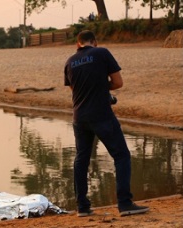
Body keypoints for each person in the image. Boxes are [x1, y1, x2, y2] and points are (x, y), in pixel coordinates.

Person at [64, 30, 149, 217]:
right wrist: (103, 86)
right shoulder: (101, 52)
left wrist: (96, 87)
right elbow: (118, 82)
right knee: (122, 156)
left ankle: (82, 207)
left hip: (79, 117)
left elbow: (75, 89)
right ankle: (125, 203)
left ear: (78, 44)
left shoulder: (70, 61)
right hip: (101, 115)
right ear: (94, 41)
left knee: (81, 159)